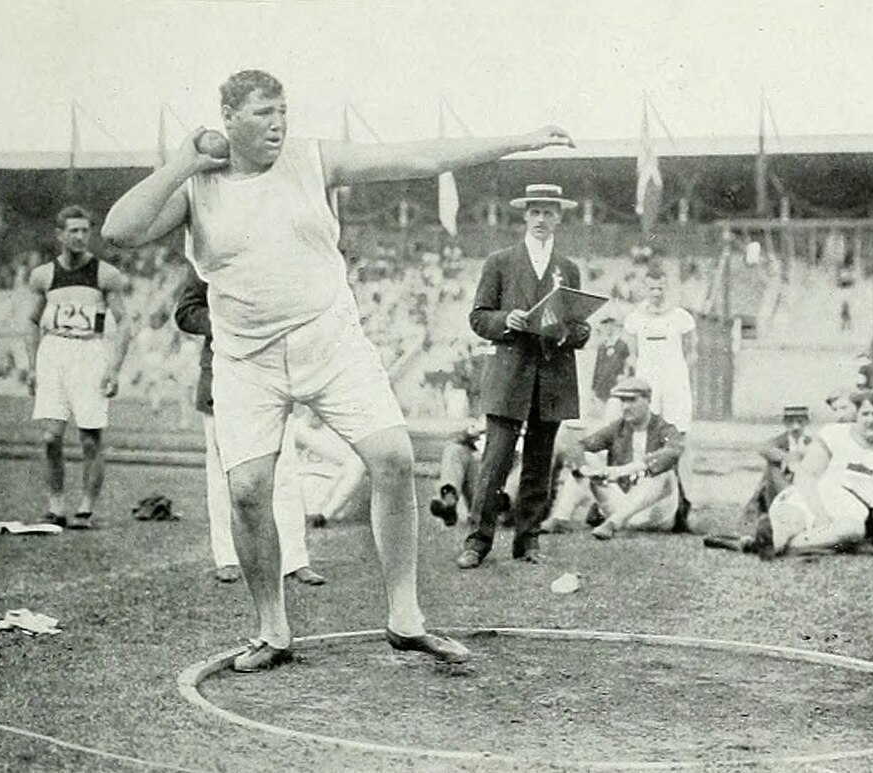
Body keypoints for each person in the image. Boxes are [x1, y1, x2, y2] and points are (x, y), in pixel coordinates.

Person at [102, 68, 574, 671]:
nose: (278, 123)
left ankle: (406, 619)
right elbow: (119, 232)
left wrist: (519, 140)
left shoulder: (311, 159)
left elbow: (422, 158)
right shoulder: (197, 185)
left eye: (282, 110)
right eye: (262, 113)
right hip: (246, 359)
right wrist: (182, 162)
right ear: (227, 120)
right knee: (247, 493)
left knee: (395, 458)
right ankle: (272, 629)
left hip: (331, 341)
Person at [455, 183, 591, 569]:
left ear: (559, 217)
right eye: (536, 212)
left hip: (553, 375)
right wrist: (506, 320)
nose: (542, 219)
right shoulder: (500, 262)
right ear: (525, 215)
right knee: (495, 460)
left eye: (549, 212)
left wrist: (574, 331)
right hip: (511, 374)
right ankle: (478, 542)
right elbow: (479, 317)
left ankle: (527, 541)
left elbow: (578, 325)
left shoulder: (568, 269)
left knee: (539, 462)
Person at [174, 268, 326, 585]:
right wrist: (228, 323)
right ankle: (228, 557)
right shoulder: (209, 254)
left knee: (284, 470)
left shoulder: (277, 250)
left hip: (272, 376)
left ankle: (294, 559)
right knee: (223, 473)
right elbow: (186, 312)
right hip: (221, 374)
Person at [25, 206, 132, 529]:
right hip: (54, 350)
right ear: (59, 235)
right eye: (73, 231)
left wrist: (113, 367)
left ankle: (85, 508)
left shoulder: (105, 274)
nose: (80, 237)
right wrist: (32, 367)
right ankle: (56, 505)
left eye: (85, 231)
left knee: (89, 437)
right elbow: (31, 321)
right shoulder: (43, 275)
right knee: (50, 437)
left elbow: (124, 321)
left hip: (89, 352)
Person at [751, 391, 873, 558]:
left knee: (852, 531)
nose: (870, 420)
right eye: (865, 414)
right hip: (815, 495)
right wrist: (820, 515)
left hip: (853, 509)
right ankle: (777, 538)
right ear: (857, 415)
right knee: (793, 519)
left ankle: (777, 546)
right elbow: (806, 476)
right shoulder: (835, 434)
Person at [542, 376, 683, 538]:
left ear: (647, 400)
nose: (625, 407)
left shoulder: (664, 428)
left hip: (656, 513)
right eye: (622, 401)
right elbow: (578, 446)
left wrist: (623, 470)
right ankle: (561, 518)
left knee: (664, 474)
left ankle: (613, 523)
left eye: (631, 401)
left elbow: (672, 452)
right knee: (589, 459)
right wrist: (585, 469)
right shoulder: (618, 428)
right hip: (622, 503)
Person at [623, 262, 697, 531]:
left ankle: (684, 505)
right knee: (647, 439)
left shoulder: (681, 317)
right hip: (647, 385)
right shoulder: (634, 318)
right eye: (651, 288)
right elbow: (631, 355)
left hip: (675, 385)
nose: (656, 293)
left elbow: (691, 352)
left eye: (660, 287)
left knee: (679, 440)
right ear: (645, 287)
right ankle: (646, 502)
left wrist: (676, 377)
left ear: (667, 286)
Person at [428, 419, 520, 528]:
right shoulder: (494, 413)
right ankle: (448, 498)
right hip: (483, 487)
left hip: (513, 495)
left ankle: (501, 502)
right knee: (455, 449)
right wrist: (468, 434)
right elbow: (453, 440)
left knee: (527, 462)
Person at [739, 405, 812, 529]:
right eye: (791, 422)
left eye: (800, 422)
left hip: (804, 483)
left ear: (807, 422)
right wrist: (787, 458)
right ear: (785, 423)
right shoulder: (779, 441)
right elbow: (765, 449)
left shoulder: (811, 442)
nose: (796, 427)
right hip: (779, 486)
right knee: (772, 468)